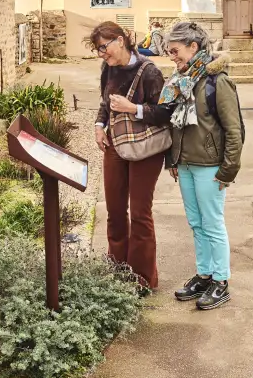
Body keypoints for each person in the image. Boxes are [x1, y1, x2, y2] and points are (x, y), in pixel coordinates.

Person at [159, 21, 244, 311]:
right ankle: (204, 274)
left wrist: (228, 169)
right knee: (196, 224)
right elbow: (175, 124)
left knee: (213, 223)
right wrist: (173, 158)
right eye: (170, 52)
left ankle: (221, 281)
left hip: (210, 166)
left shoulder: (217, 81)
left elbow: (235, 130)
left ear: (193, 47)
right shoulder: (181, 80)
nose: (172, 57)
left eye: (175, 51)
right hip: (184, 164)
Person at [91, 20, 170, 290]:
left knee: (139, 213)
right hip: (115, 142)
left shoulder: (150, 72)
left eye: (104, 48)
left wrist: (132, 108)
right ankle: (117, 269)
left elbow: (164, 113)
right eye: (98, 50)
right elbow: (105, 102)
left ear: (119, 40)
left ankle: (142, 278)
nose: (102, 54)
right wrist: (99, 126)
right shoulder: (107, 69)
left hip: (146, 148)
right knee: (114, 210)